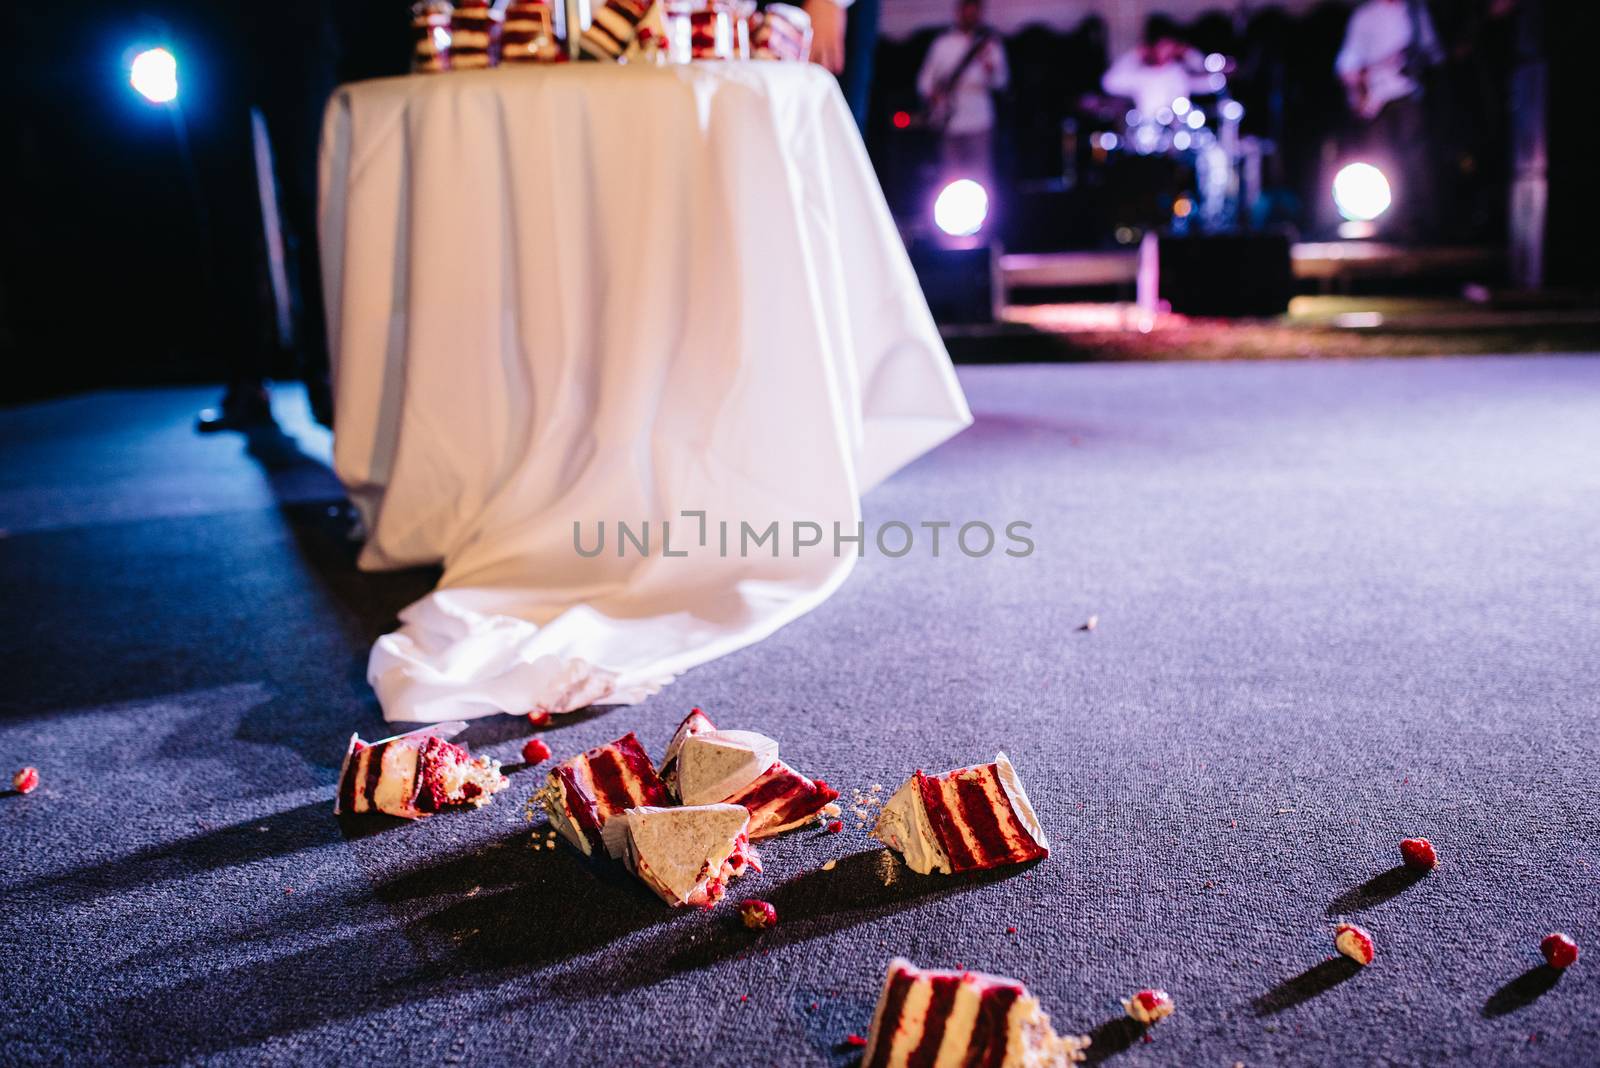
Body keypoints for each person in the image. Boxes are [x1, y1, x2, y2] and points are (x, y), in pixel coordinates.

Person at [1335, 0, 1444, 237]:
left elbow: (1433, 53)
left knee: (1416, 160)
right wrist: (1364, 84)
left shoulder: (1416, 11)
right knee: (1384, 161)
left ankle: (1421, 222)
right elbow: (1347, 65)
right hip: (1378, 102)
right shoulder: (1366, 16)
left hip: (1408, 95)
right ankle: (1388, 223)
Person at [916, 0, 1009, 183]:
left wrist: (988, 67)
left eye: (974, 13)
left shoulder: (990, 44)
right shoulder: (943, 44)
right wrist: (934, 96)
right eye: (967, 12)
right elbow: (924, 82)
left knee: (980, 175)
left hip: (980, 119)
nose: (970, 16)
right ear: (959, 13)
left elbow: (1002, 82)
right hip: (950, 119)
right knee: (950, 176)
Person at [1100, 15, 1209, 119]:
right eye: (1162, 45)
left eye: (1171, 45)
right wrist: (1136, 54)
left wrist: (1187, 52)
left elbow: (1210, 83)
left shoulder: (1178, 72)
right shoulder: (1142, 75)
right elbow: (1109, 82)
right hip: (1150, 131)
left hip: (1179, 131)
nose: (1167, 50)